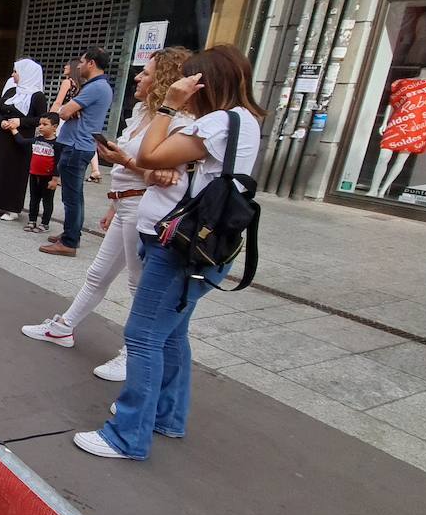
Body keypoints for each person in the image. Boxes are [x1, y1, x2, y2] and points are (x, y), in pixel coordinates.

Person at [74, 44, 264, 461]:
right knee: (172, 334)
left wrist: (167, 107)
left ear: (204, 83)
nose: (185, 89)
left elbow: (150, 154)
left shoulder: (217, 123)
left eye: (191, 82)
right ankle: (167, 415)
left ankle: (127, 435)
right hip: (208, 241)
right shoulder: (245, 121)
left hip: (180, 245)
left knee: (142, 337)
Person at [22, 47, 193, 382]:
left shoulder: (178, 123)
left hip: (145, 209)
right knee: (99, 274)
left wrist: (124, 162)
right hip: (127, 203)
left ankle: (133, 354)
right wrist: (115, 202)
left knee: (138, 285)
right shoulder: (146, 113)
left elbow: (163, 175)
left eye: (147, 72)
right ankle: (64, 327)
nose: (139, 77)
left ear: (165, 80)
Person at [43, 48, 114, 257]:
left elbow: (63, 112)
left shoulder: (96, 87)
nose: (79, 66)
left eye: (82, 62)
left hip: (76, 146)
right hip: (79, 145)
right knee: (75, 196)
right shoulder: (97, 86)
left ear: (91, 63)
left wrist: (71, 110)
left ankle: (69, 241)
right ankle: (71, 233)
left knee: (71, 197)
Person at [0, 59, 47, 221]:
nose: (13, 75)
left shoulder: (37, 96)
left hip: (20, 140)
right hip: (2, 138)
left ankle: (12, 208)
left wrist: (20, 122)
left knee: (14, 172)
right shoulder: (12, 91)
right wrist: (2, 121)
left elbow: (41, 119)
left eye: (16, 72)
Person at [13, 113, 62, 233]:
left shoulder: (57, 144)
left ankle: (45, 223)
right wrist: (13, 129)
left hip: (48, 177)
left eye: (45, 124)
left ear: (55, 127)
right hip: (34, 175)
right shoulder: (36, 140)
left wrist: (55, 179)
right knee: (34, 199)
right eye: (40, 124)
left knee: (47, 201)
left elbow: (58, 163)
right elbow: (22, 142)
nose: (40, 127)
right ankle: (32, 220)